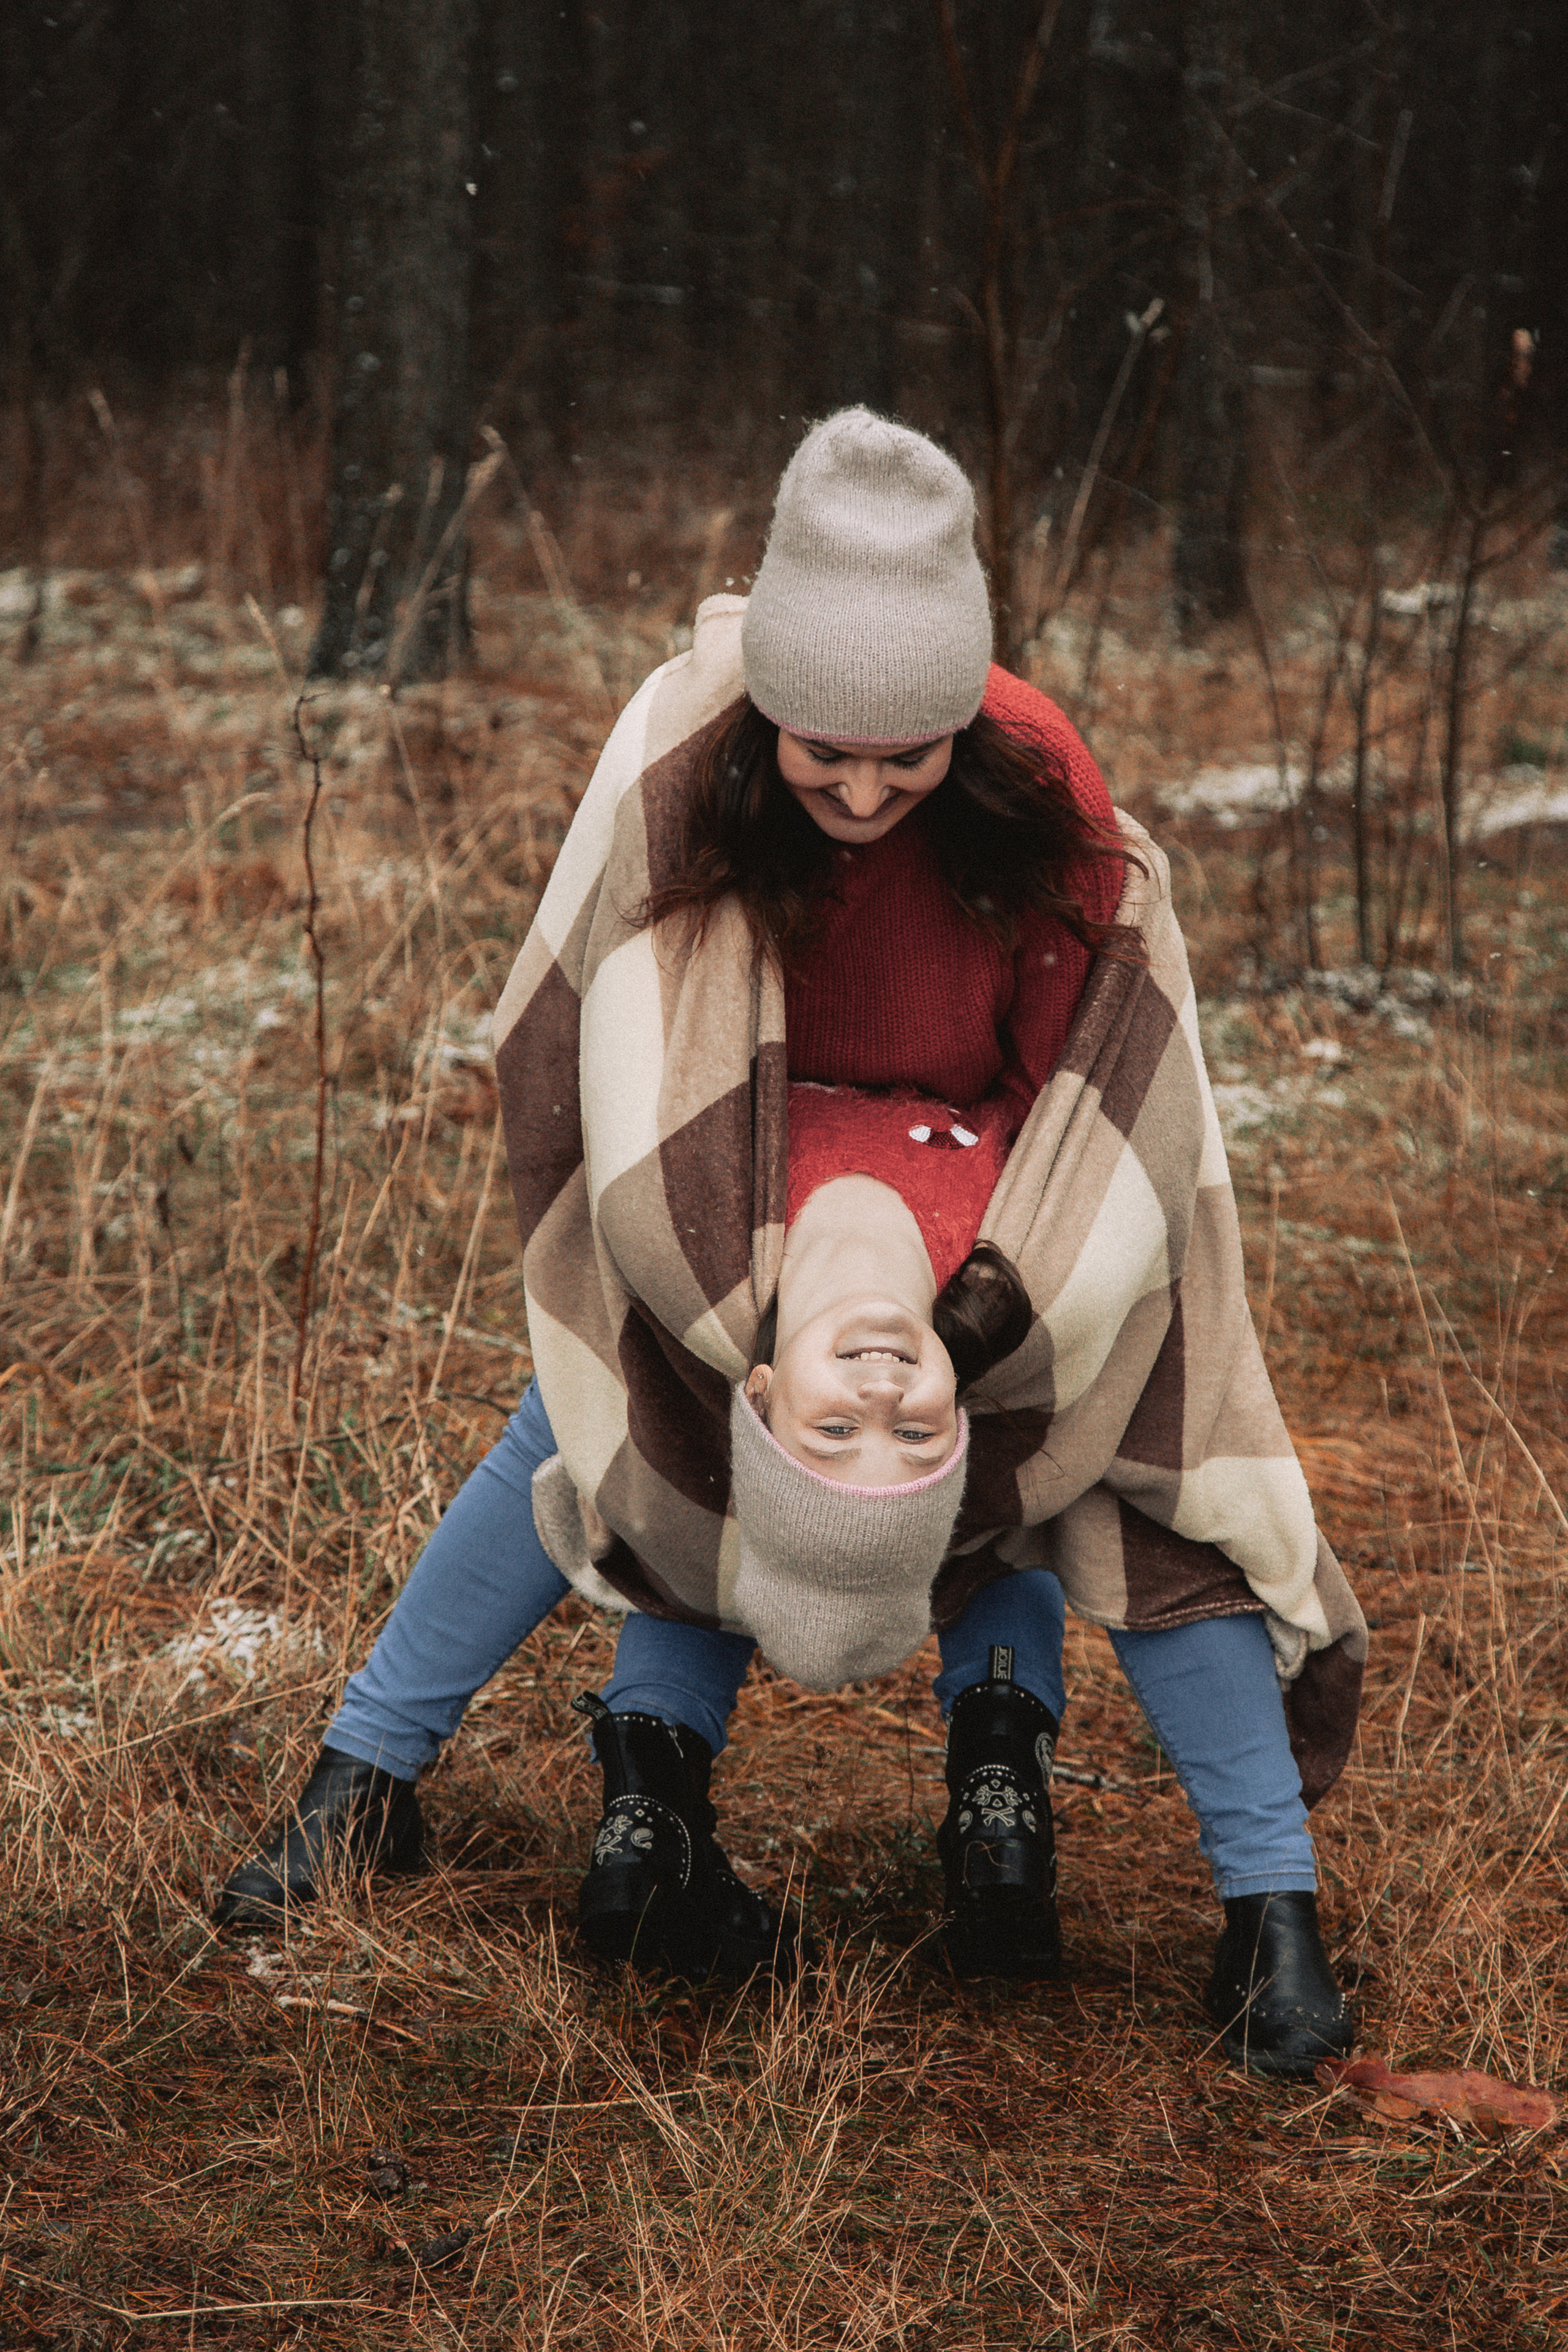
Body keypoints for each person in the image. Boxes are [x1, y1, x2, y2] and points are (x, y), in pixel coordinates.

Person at [215, 409, 1363, 2077]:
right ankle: (358, 1790)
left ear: (963, 722)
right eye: (828, 751)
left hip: (1010, 1185)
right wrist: (701, 1278)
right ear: (773, 708)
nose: (868, 791)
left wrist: (1025, 1298)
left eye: (911, 757)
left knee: (1153, 1454)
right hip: (727, 1157)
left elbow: (1101, 1059)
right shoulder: (693, 766)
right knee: (598, 1422)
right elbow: (618, 1010)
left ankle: (1273, 1921)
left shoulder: (1037, 786)